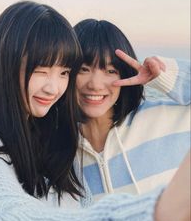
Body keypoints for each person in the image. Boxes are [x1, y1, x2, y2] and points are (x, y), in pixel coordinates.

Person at [0, 1, 189, 221]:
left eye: (64, 72)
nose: (53, 87)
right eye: (41, 70)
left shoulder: (51, 146)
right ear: (4, 63)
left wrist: (166, 75)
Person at [74, 19, 190, 200]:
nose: (95, 85)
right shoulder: (59, 152)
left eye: (111, 71)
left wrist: (166, 75)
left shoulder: (166, 119)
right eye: (83, 69)